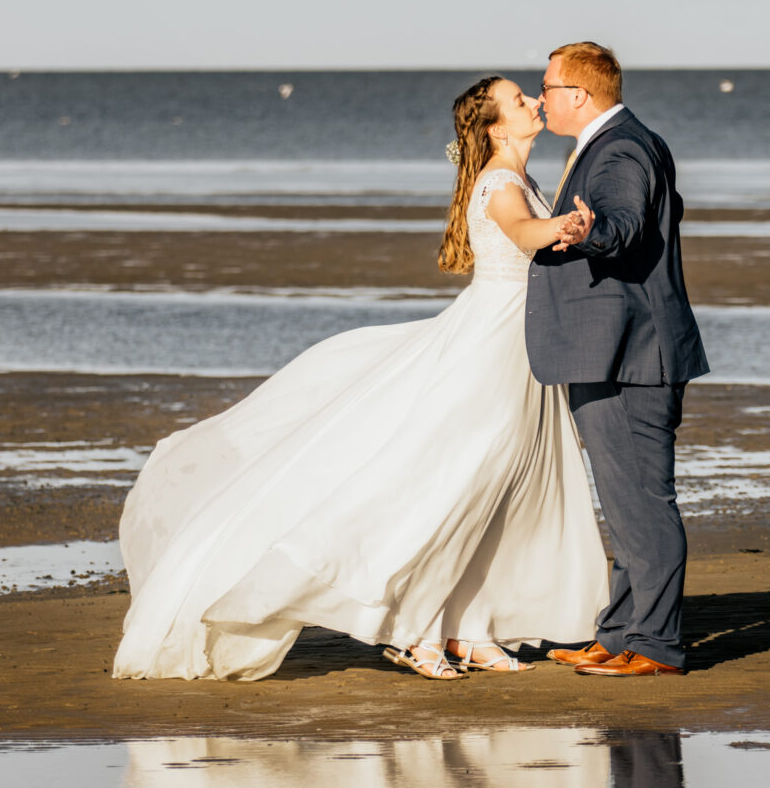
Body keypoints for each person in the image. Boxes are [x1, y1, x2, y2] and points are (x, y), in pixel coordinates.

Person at [110, 76, 608, 682]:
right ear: (497, 127)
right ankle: (416, 629)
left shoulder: (522, 177)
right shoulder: (502, 183)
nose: (534, 100)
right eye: (520, 100)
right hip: (490, 348)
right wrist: (562, 229)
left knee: (497, 487)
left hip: (515, 345)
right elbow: (524, 233)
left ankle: (469, 628)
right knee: (458, 485)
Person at [530, 42, 708, 677]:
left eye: (547, 88)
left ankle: (656, 646)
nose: (540, 97)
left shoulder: (621, 147)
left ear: (578, 95)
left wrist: (590, 231)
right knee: (625, 499)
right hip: (620, 349)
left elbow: (623, 219)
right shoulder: (625, 142)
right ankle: (620, 631)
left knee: (640, 500)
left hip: (630, 355)